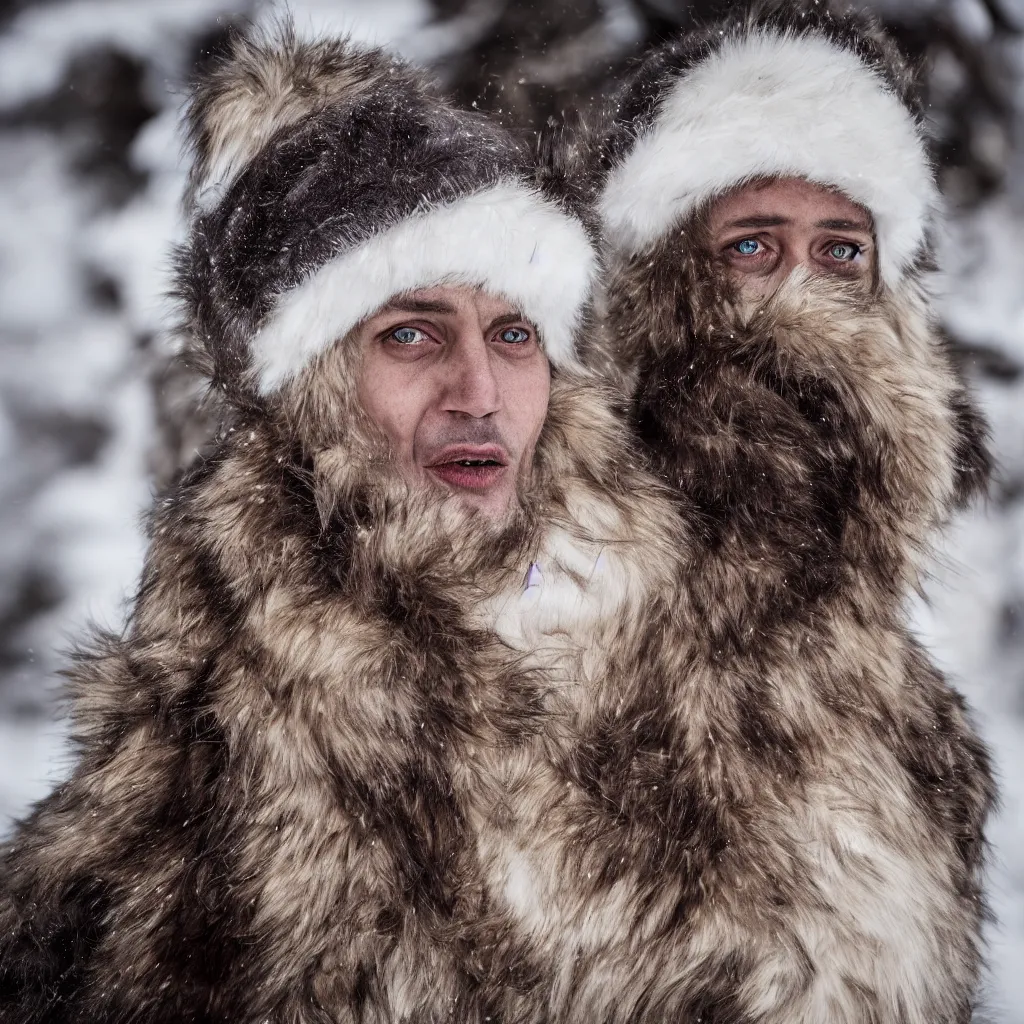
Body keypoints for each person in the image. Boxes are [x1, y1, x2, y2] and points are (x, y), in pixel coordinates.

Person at [0, 25, 687, 1022]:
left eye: (514, 334)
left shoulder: (675, 662)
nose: (479, 390)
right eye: (410, 332)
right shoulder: (215, 718)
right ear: (312, 384)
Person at [582, 3, 996, 1021]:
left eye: (840, 251)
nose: (802, 297)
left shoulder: (892, 675)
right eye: (753, 247)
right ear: (664, 280)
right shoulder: (552, 568)